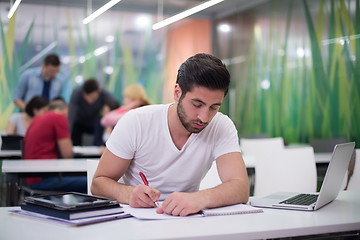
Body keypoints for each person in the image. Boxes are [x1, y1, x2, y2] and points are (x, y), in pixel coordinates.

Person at [91, 53, 249, 217]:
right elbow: (98, 183)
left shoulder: (220, 125)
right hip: (136, 221)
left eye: (214, 107)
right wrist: (129, 194)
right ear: (177, 92)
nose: (204, 117)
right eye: (197, 104)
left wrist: (199, 198)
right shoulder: (137, 121)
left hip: (187, 220)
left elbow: (240, 187)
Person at [23, 98, 87, 193]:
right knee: (91, 182)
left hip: (30, 178)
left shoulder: (37, 119)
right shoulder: (59, 117)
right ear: (66, 110)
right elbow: (67, 154)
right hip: (44, 178)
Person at [68, 78, 116, 146]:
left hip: (95, 122)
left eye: (93, 98)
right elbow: (71, 115)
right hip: (79, 121)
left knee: (100, 124)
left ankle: (99, 148)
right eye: (87, 98)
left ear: (98, 91)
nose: (89, 101)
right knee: (74, 129)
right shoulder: (77, 93)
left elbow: (113, 111)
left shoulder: (105, 95)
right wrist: (68, 134)